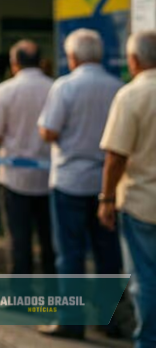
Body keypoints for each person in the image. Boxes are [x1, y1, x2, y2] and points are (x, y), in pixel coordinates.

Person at [37, 29, 123, 340]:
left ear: (72, 57)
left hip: (69, 181)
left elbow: (48, 131)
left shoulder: (65, 87)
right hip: (106, 183)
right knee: (107, 254)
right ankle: (108, 319)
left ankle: (71, 320)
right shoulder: (117, 87)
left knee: (70, 253)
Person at [99, 30, 156, 348]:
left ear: (133, 60)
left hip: (141, 203)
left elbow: (116, 156)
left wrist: (106, 199)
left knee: (145, 280)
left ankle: (148, 340)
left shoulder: (131, 95)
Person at [0, 41, 54, 275]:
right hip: (50, 176)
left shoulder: (5, 90)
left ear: (14, 64)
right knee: (49, 238)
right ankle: (54, 291)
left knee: (18, 238)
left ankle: (21, 295)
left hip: (14, 177)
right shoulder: (55, 87)